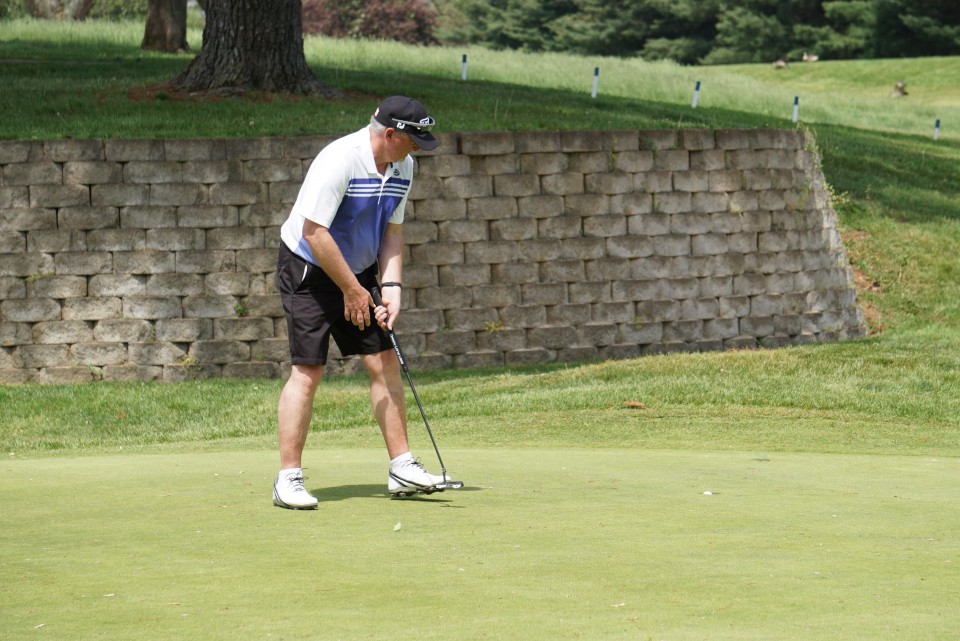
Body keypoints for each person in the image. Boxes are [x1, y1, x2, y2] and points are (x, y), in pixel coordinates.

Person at [272, 96, 445, 510]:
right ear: (391, 134)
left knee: (384, 361)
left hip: (358, 270)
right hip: (310, 269)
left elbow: (392, 232)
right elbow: (314, 233)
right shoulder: (339, 160)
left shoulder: (404, 166)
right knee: (308, 370)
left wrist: (392, 286)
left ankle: (402, 468)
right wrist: (352, 290)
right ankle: (288, 479)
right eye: (413, 140)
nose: (417, 149)